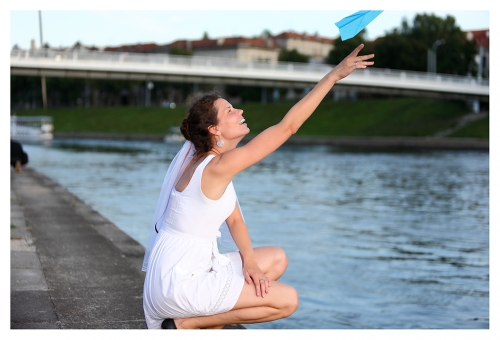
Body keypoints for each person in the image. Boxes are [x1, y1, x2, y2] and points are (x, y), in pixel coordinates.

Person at [142, 44, 374, 329]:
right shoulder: (216, 168)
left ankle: (203, 321)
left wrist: (250, 262)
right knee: (288, 300)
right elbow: (287, 127)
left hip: (187, 267)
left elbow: (235, 219)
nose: (239, 110)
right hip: (178, 283)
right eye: (229, 110)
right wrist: (333, 76)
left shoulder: (212, 165)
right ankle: (183, 325)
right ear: (215, 130)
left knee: (275, 260)